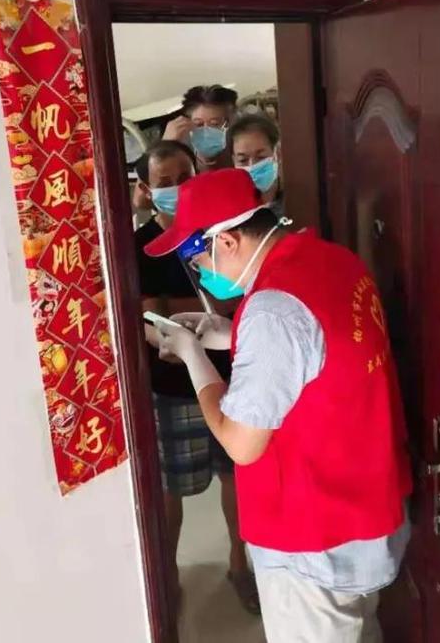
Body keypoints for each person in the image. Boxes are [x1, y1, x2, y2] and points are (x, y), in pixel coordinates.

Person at [144, 168, 413, 643]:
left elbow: (241, 443)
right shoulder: (332, 260)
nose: (200, 271)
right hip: (365, 509)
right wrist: (231, 335)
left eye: (196, 257)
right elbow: (319, 353)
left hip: (313, 540)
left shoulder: (273, 310)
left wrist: (191, 357)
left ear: (227, 241)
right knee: (361, 631)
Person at [132, 141, 260, 615]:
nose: (177, 189)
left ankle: (239, 565)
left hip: (233, 376)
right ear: (146, 189)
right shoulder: (140, 246)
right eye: (164, 183)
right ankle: (165, 578)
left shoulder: (216, 232)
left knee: (236, 477)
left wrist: (173, 311)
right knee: (171, 489)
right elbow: (148, 317)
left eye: (184, 177)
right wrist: (186, 314)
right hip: (173, 388)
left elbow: (234, 301)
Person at [162, 85, 239, 171]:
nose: (206, 131)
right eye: (199, 124)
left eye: (214, 124)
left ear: (229, 122)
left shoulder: (240, 158)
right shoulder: (184, 164)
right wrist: (165, 146)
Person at [228, 113, 283, 217]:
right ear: (233, 161)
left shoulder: (295, 202)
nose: (252, 166)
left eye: (261, 157)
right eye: (243, 160)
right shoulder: (230, 212)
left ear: (277, 154)